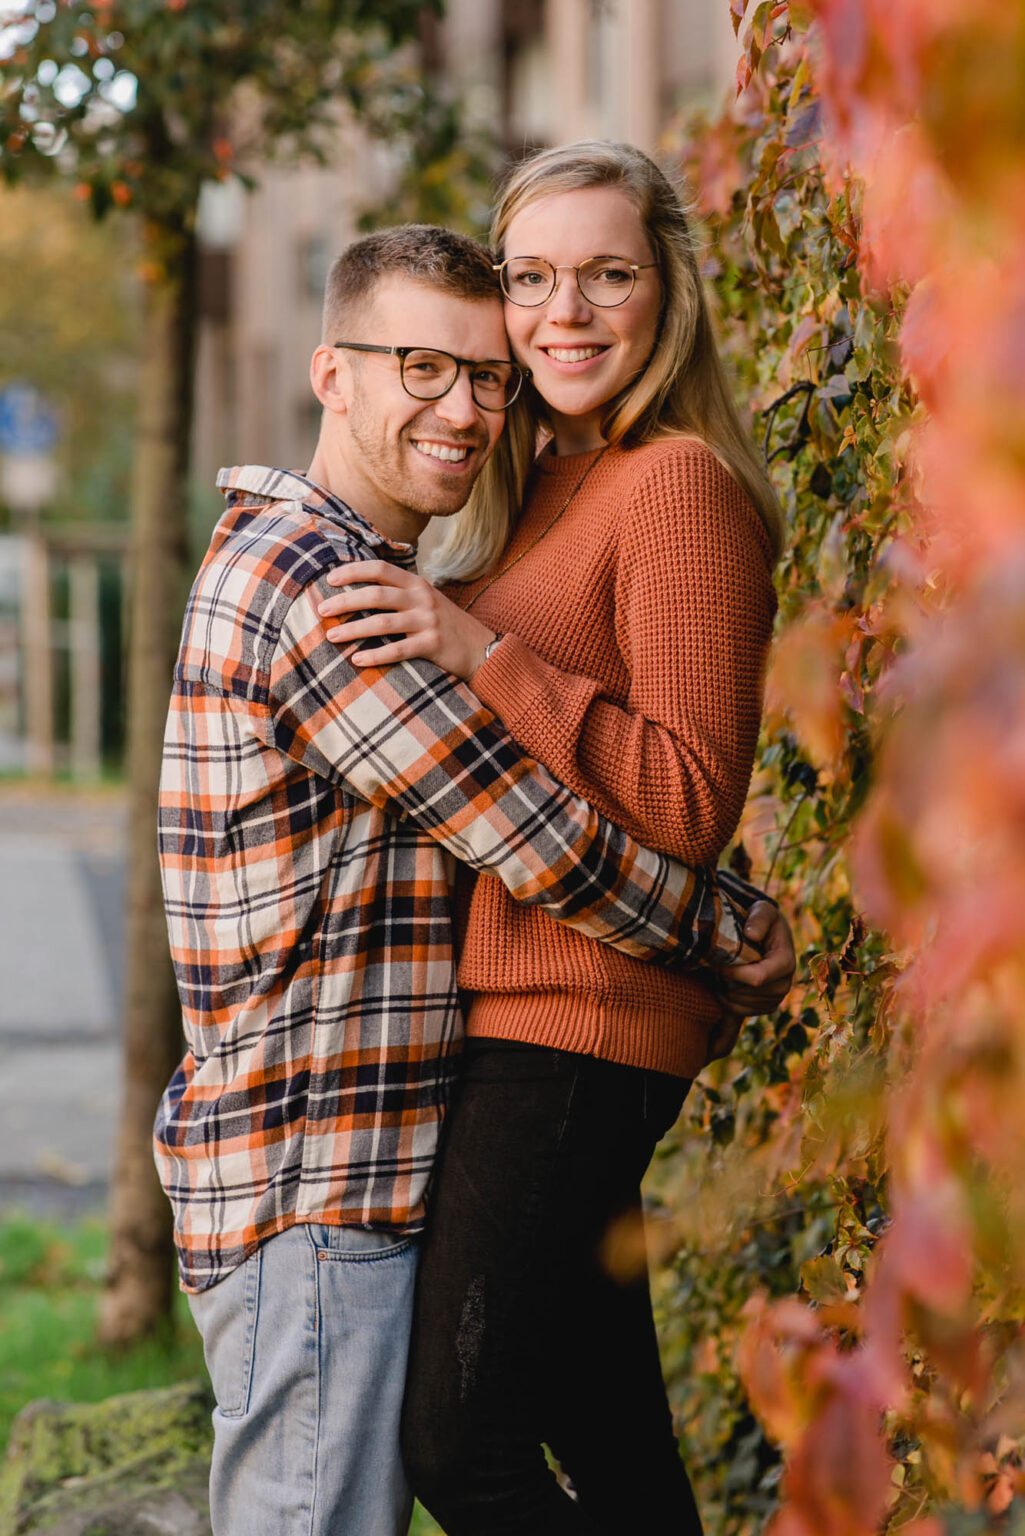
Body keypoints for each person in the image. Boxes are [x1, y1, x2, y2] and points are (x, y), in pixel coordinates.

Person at [155, 223, 792, 1536]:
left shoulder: (387, 576)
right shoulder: (324, 589)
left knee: (587, 1447)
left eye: (487, 376)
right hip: (312, 1181)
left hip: (345, 1168)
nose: (465, 407)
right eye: (421, 369)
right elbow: (534, 841)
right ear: (331, 373)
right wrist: (726, 922)